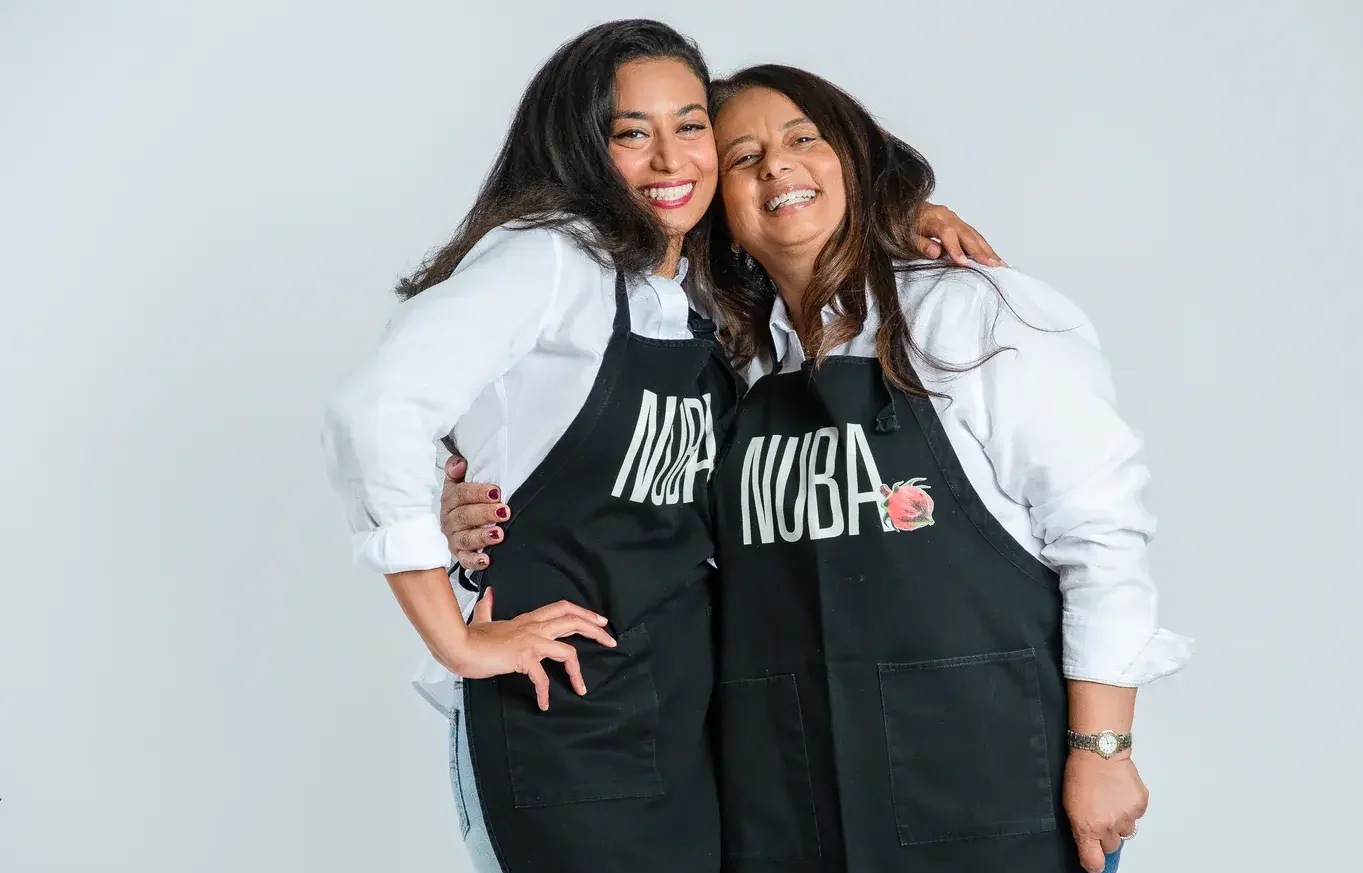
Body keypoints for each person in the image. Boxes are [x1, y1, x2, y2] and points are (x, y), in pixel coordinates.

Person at [441, 63, 1192, 873]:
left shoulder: (972, 311)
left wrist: (1104, 747)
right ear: (713, 207)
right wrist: (474, 515)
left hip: (992, 787)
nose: (778, 166)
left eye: (805, 139)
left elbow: (1101, 534)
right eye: (743, 156)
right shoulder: (729, 366)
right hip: (789, 804)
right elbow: (631, 509)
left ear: (856, 162)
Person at [322, 20, 999, 873]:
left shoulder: (693, 294)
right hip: (560, 721)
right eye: (631, 134)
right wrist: (453, 638)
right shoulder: (552, 258)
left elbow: (795, 227)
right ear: (581, 147)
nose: (671, 159)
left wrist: (901, 214)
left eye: (690, 127)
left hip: (687, 714)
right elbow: (374, 410)